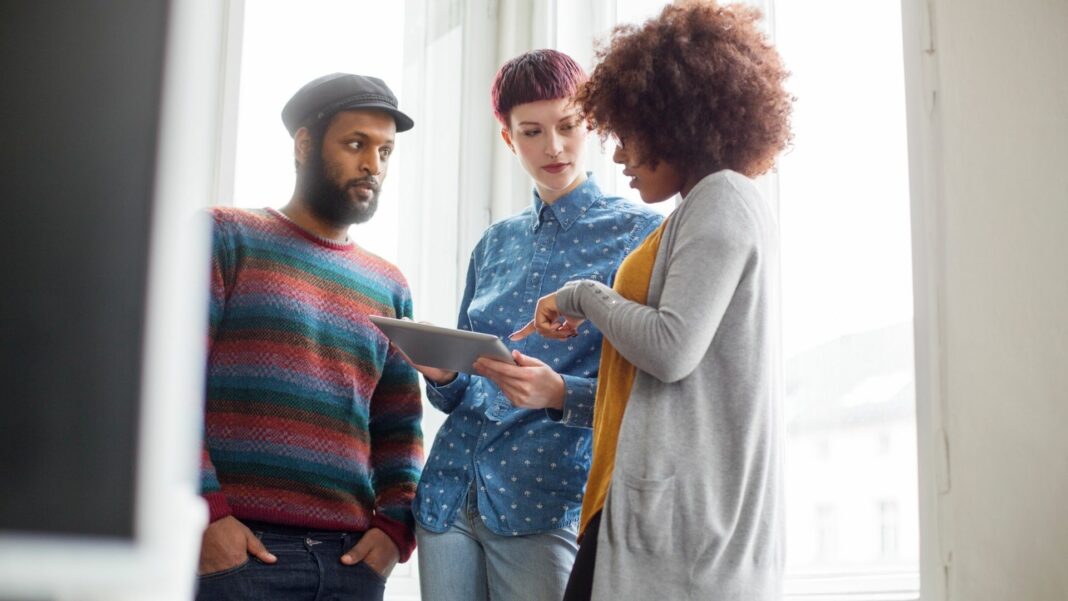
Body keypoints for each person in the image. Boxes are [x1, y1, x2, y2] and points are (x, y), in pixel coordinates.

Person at [512, 2, 794, 600]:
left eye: (628, 136)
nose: (618, 157)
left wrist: (583, 294)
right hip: (652, 513)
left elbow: (670, 349)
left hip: (685, 533)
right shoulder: (702, 206)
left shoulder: (722, 198)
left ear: (674, 124)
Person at [409, 49, 663, 601]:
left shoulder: (640, 234)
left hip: (545, 500)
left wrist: (559, 393)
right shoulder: (494, 243)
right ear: (509, 138)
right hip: (448, 495)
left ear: (590, 124)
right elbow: (461, 392)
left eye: (568, 126)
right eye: (532, 132)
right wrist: (444, 375)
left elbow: (655, 390)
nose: (553, 147)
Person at [196, 73, 424, 601]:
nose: (373, 165)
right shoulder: (225, 236)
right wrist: (205, 514)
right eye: (355, 144)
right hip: (239, 554)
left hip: (350, 564)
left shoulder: (389, 285)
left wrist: (394, 530)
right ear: (304, 144)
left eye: (385, 151)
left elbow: (400, 426)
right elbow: (166, 385)